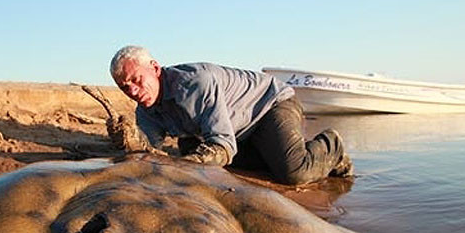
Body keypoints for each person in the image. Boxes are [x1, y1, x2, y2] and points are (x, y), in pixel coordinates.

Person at [107, 45, 352, 185]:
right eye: (125, 87)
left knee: (294, 172)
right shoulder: (145, 109)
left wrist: (185, 166)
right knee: (191, 149)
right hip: (236, 126)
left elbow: (222, 147)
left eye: (137, 80)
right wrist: (129, 142)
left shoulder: (195, 84)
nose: (133, 91)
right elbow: (148, 154)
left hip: (270, 105)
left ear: (155, 68)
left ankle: (331, 146)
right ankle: (274, 149)